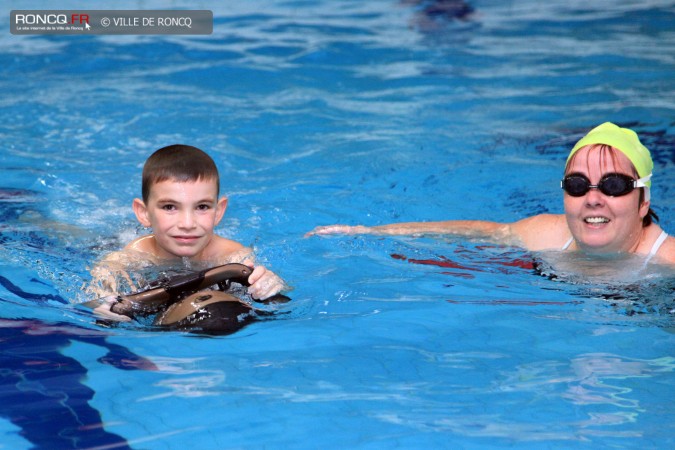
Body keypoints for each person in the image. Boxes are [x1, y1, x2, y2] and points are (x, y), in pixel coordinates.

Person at [307, 122, 675, 265]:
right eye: (578, 185)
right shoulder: (549, 233)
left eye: (613, 185)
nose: (593, 198)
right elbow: (470, 230)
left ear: (644, 202)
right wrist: (367, 233)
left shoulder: (666, 259)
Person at [87, 144, 287, 320]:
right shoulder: (131, 257)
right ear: (144, 213)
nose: (187, 223)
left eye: (202, 207)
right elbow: (95, 294)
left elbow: (280, 293)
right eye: (169, 207)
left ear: (219, 211)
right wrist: (101, 306)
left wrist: (270, 284)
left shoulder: (232, 256)